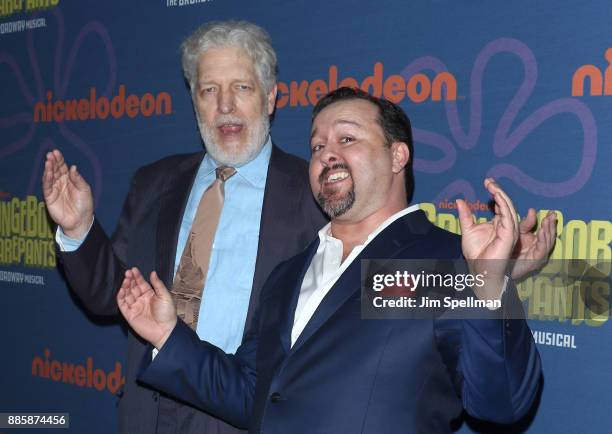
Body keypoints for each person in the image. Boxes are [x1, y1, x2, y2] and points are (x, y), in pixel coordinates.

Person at [116, 87, 556, 433]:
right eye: (317, 145)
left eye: (347, 138)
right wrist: (168, 335)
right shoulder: (288, 275)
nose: (327, 153)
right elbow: (255, 394)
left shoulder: (441, 265)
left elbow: (502, 404)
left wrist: (489, 282)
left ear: (397, 155)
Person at [42, 21, 327, 434]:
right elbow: (112, 295)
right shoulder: (154, 183)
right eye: (209, 89)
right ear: (194, 101)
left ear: (270, 98)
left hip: (246, 420)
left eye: (242, 88)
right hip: (149, 411)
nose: (225, 105)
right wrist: (79, 229)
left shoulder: (314, 195)